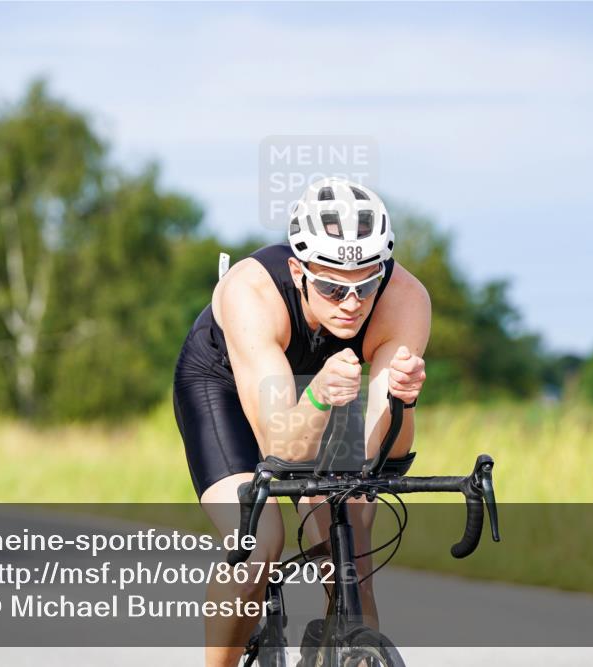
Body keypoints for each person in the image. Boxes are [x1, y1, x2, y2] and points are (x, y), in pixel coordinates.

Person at [172, 177, 430, 667]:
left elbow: (383, 459)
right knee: (258, 541)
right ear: (298, 270)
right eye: (333, 287)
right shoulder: (251, 292)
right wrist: (316, 395)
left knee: (350, 549)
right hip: (223, 385)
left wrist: (403, 402)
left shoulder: (405, 300)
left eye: (366, 285)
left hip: (328, 388)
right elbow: (282, 450)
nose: (352, 304)